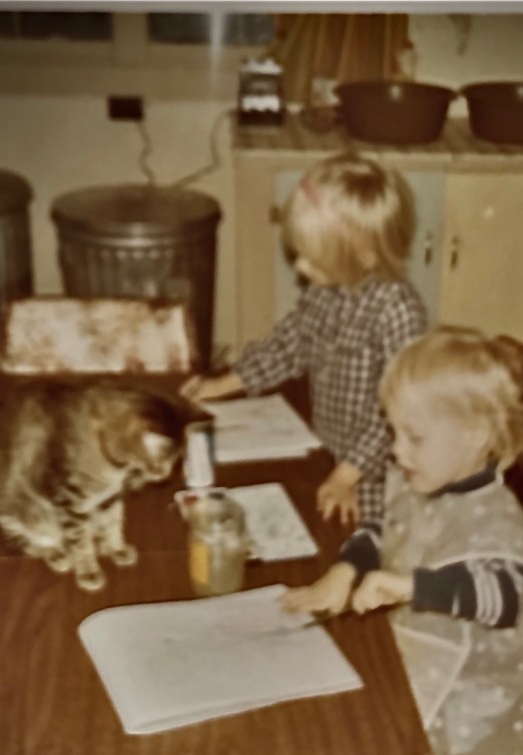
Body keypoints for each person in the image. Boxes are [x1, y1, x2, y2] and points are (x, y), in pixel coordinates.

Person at [283, 326, 523, 755]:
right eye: (394, 433)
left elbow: (505, 599)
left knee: (340, 748)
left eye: (414, 437)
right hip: (423, 653)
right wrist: (345, 571)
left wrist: (409, 586)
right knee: (315, 703)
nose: (397, 450)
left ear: (476, 434)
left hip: (472, 695)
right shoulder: (426, 480)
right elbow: (385, 528)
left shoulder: (496, 516)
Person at [180, 152, 427, 525]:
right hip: (328, 450)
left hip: (376, 477)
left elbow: (396, 415)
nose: (299, 266)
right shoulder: (327, 289)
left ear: (363, 255)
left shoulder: (398, 311)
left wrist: (347, 476)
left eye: (313, 257)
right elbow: (290, 345)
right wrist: (223, 383)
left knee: (360, 544)